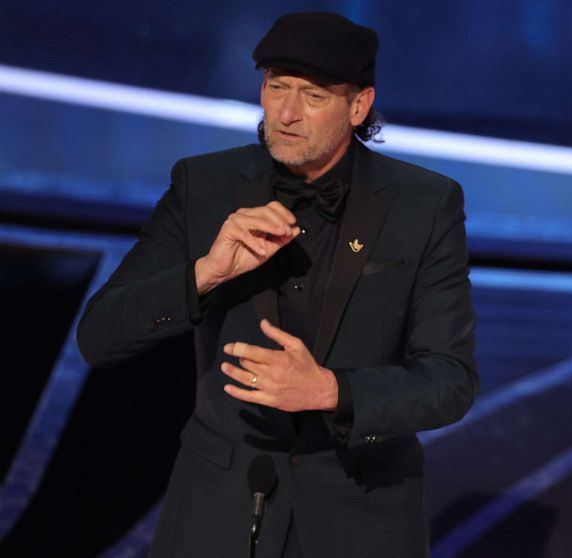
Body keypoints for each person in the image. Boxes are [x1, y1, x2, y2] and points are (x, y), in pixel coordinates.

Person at [76, 12, 477, 558]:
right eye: (276, 88)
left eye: (311, 96)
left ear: (358, 106)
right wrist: (207, 272)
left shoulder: (424, 205)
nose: (286, 114)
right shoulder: (205, 185)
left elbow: (450, 379)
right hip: (218, 509)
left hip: (359, 513)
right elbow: (98, 336)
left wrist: (332, 392)